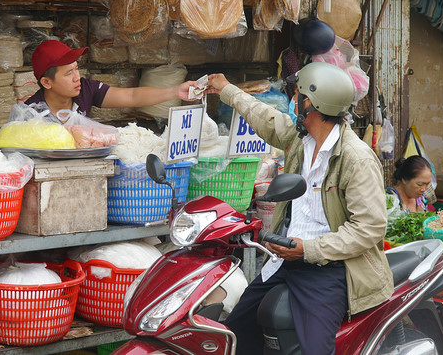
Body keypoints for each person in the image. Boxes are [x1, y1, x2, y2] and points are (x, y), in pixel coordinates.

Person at [206, 62, 392, 355]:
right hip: (285, 259)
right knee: (237, 332)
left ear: (311, 103)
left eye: (298, 94)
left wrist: (309, 250)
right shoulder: (299, 139)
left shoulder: (356, 158)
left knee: (314, 349)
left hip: (327, 267)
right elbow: (265, 118)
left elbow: (369, 228)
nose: (293, 100)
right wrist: (227, 90)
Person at [26, 40, 199, 116]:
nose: (77, 78)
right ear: (46, 82)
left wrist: (176, 91)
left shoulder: (86, 89)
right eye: (68, 73)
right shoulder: (30, 113)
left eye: (76, 69)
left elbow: (131, 97)